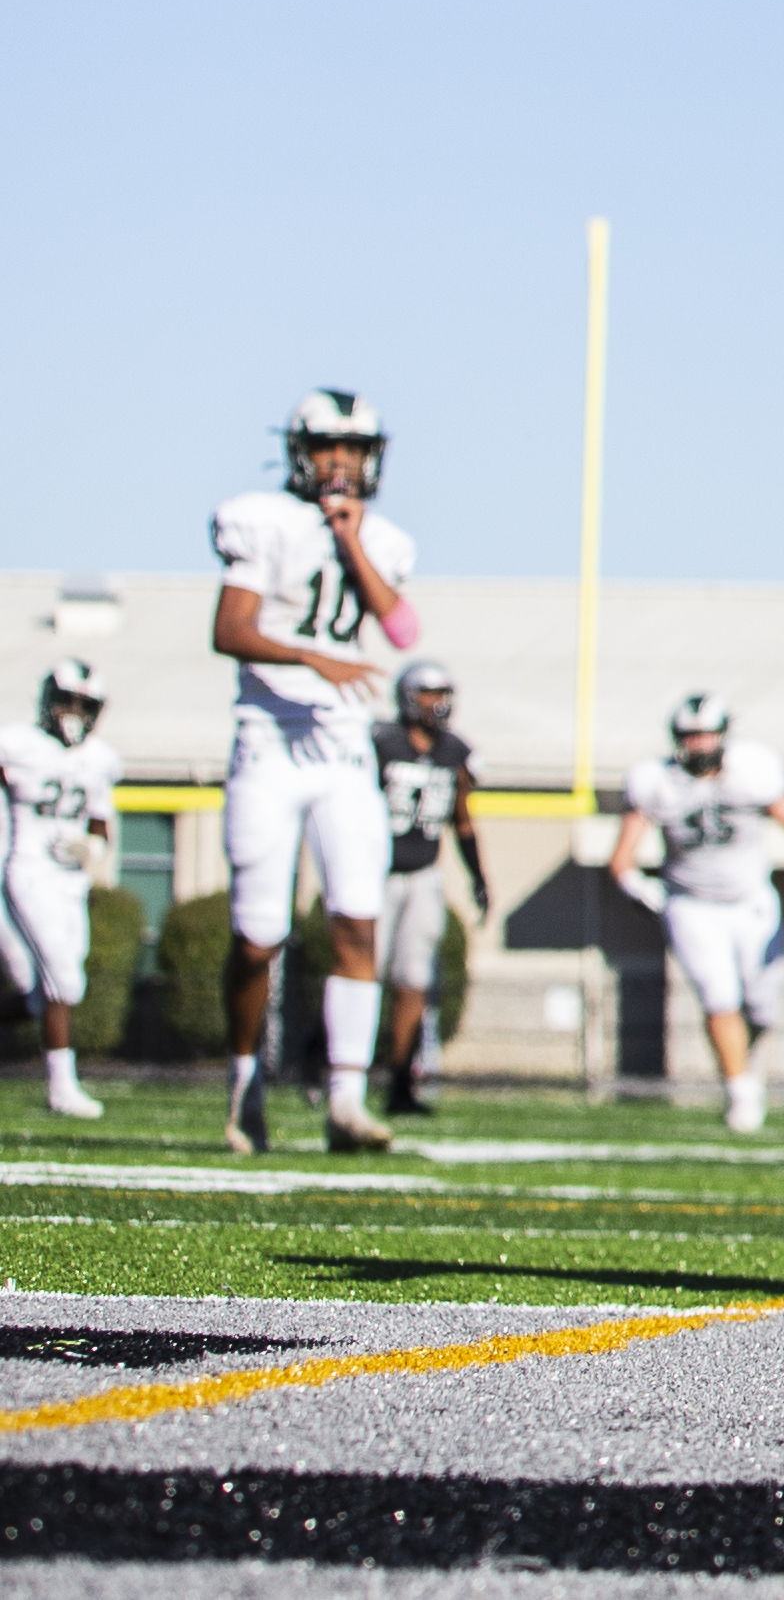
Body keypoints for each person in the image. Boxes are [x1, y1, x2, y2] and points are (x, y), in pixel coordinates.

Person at [210, 389, 425, 1155]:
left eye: (353, 449)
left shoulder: (381, 538)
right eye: (328, 447)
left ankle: (346, 1100)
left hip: (340, 750)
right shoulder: (261, 519)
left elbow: (401, 627)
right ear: (303, 451)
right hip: (268, 738)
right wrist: (311, 656)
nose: (341, 462)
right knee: (258, 933)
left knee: (357, 920)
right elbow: (229, 629)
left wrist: (352, 541)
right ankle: (244, 1086)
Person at [608, 694, 784, 1135]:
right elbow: (621, 858)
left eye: (706, 734)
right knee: (718, 996)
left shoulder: (752, 772)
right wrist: (637, 884)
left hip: (751, 902)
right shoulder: (658, 782)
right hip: (691, 904)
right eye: (690, 736)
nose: (699, 744)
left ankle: (745, 1068)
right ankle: (740, 1094)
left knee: (760, 1006)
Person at [369, 660, 488, 1120]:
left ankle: (401, 1082)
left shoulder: (454, 750)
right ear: (406, 696)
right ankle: (330, 1062)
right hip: (376, 875)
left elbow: (462, 819)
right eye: (427, 693)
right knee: (363, 973)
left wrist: (479, 876)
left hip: (423, 874)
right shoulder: (380, 744)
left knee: (414, 980)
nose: (436, 703)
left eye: (443, 692)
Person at [0, 663, 120, 1119]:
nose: (74, 712)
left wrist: (89, 845)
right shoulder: (16, 744)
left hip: (70, 882)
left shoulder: (100, 759)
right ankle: (61, 1089)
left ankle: (61, 1082)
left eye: (85, 704)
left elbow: (101, 829)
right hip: (26, 872)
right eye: (67, 699)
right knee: (62, 981)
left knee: (43, 995)